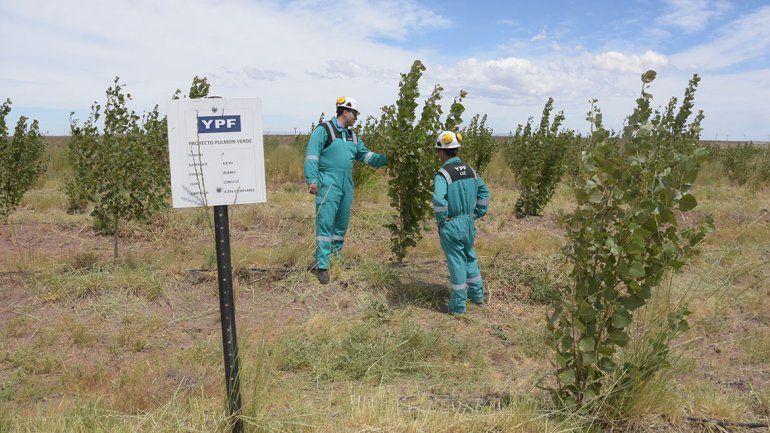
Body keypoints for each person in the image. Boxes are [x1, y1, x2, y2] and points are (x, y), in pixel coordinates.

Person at [304, 97, 388, 284]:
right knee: (325, 224)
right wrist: (312, 180)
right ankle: (323, 266)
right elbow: (311, 155)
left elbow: (366, 156)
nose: (357, 117)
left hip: (346, 186)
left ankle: (335, 259)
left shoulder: (353, 137)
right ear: (345, 112)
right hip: (328, 183)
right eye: (355, 114)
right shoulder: (324, 130)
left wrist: (387, 158)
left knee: (341, 225)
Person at [433, 130, 490, 314]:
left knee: (457, 262)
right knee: (470, 256)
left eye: (438, 151)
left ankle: (458, 306)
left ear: (442, 152)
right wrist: (477, 213)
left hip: (452, 224)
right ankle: (477, 296)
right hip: (468, 223)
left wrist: (442, 221)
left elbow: (439, 201)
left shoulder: (443, 174)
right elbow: (484, 193)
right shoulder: (471, 171)